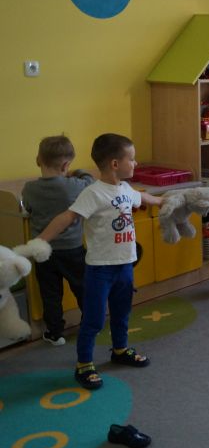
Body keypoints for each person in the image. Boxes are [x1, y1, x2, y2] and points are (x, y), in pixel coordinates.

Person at [37, 134, 164, 390]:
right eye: (132, 159)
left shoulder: (126, 189)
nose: (136, 163)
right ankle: (84, 363)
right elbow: (67, 218)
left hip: (125, 265)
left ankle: (120, 349)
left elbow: (144, 198)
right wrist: (39, 242)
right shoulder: (93, 193)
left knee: (122, 312)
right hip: (100, 269)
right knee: (94, 319)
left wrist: (168, 200)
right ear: (115, 164)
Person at [22, 135, 95, 346]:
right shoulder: (75, 185)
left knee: (50, 294)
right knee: (83, 288)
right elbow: (90, 181)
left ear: (38, 160)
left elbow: (27, 207)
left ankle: (55, 332)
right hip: (72, 249)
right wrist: (78, 171)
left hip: (43, 251)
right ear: (65, 165)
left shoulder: (29, 188)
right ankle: (90, 323)